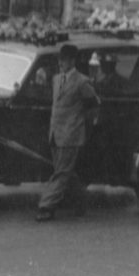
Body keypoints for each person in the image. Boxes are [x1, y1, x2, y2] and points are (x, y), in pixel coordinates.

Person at [36, 44, 98, 222]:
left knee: (61, 172)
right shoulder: (56, 79)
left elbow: (93, 105)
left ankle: (46, 206)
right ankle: (81, 200)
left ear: (72, 61)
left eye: (63, 60)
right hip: (55, 134)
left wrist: (80, 123)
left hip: (71, 134)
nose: (60, 63)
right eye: (59, 60)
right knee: (65, 172)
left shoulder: (82, 82)